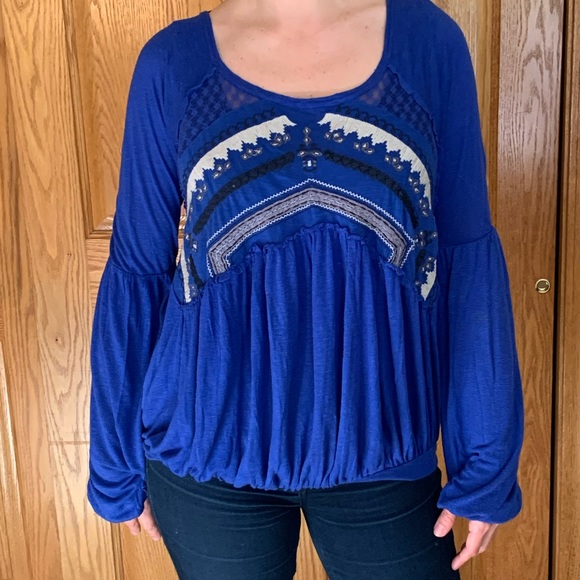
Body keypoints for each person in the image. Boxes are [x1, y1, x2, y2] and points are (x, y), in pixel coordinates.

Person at [86, 0, 525, 578]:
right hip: (207, 448)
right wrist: (115, 462)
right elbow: (138, 270)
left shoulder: (429, 44)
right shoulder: (173, 63)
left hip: (381, 440)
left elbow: (466, 257)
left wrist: (485, 457)